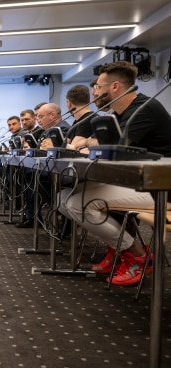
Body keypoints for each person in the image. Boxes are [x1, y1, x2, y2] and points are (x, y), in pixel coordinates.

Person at [58, 61, 171, 286]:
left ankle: (138, 256)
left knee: (77, 203)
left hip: (160, 187)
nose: (95, 93)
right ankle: (118, 251)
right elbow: (105, 145)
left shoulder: (143, 108)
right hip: (137, 182)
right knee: (63, 197)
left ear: (116, 86)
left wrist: (90, 143)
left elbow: (116, 147)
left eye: (99, 87)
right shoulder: (122, 112)